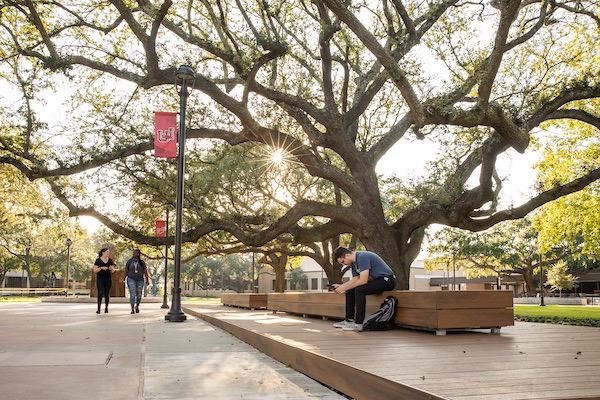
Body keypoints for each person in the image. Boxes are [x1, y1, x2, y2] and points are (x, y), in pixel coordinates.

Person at [331, 247, 396, 331]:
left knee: (359, 289)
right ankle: (349, 321)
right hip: (376, 280)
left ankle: (359, 323)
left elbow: (363, 280)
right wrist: (341, 287)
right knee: (350, 290)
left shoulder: (362, 257)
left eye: (343, 262)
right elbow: (355, 280)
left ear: (347, 255)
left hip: (387, 280)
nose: (344, 264)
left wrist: (344, 288)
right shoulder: (353, 264)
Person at [125, 249, 149, 314]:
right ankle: (132, 308)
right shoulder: (129, 262)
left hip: (140, 280)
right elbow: (126, 270)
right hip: (131, 279)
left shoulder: (141, 262)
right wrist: (124, 278)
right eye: (133, 253)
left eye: (135, 253)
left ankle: (137, 306)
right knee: (132, 294)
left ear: (138, 254)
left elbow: (145, 271)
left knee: (139, 295)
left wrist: (147, 279)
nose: (134, 254)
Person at [93, 248, 115, 314]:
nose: (108, 253)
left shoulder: (110, 260)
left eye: (109, 252)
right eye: (107, 252)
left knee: (107, 294)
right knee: (100, 293)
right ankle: (98, 309)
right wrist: (101, 268)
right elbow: (94, 270)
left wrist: (111, 269)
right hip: (100, 279)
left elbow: (113, 271)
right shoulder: (98, 260)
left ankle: (106, 308)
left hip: (108, 279)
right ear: (103, 252)